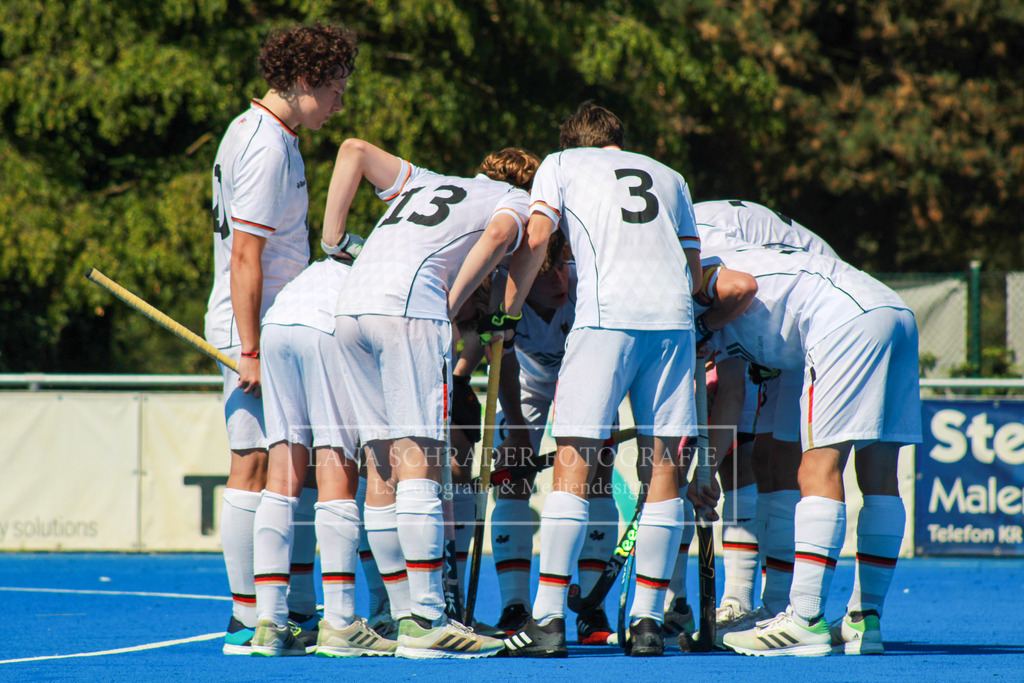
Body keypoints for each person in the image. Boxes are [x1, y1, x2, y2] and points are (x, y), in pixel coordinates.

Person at [501, 102, 703, 658]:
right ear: (620, 138)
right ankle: (646, 623)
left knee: (574, 459)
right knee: (664, 469)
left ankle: (545, 621)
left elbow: (538, 236)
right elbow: (693, 266)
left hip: (604, 318)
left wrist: (508, 311)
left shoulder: (562, 163)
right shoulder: (671, 175)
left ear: (573, 140)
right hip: (673, 322)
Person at [324, 140, 538, 659]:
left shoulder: (425, 179)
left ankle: (395, 617)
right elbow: (502, 232)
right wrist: (453, 299)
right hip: (408, 308)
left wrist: (333, 242)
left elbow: (352, 149)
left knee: (382, 464)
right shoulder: (516, 199)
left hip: (350, 305)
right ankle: (426, 619)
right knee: (420, 458)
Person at [203, 22, 359, 655]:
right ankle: (247, 617)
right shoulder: (268, 143)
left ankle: (280, 604)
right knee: (257, 461)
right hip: (256, 327)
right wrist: (252, 348)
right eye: (335, 90)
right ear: (301, 83)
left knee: (283, 463)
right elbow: (247, 255)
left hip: (267, 324)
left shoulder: (257, 129)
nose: (341, 103)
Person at [689, 237, 921, 656]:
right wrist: (704, 472)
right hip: (894, 312)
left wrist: (700, 326)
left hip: (841, 323)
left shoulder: (692, 281)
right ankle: (862, 621)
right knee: (880, 475)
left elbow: (742, 286)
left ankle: (805, 619)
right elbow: (731, 398)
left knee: (815, 468)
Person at [693, 199, 843, 644]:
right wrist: (707, 466)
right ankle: (741, 600)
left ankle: (778, 605)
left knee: (779, 454)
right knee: (747, 451)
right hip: (780, 300)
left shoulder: (696, 253)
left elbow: (733, 384)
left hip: (810, 308)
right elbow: (730, 386)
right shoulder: (690, 246)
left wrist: (702, 467)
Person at [250, 253, 397, 657]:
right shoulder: (385, 273)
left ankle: (269, 624)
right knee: (337, 472)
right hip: (327, 327)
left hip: (277, 327)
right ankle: (340, 622)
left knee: (280, 478)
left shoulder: (327, 266)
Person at [487, 237, 623, 645]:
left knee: (597, 478)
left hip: (588, 380)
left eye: (563, 266)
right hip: (527, 384)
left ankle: (591, 605)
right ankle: (514, 606)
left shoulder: (587, 283)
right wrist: (516, 430)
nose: (560, 279)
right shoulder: (502, 290)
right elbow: (503, 360)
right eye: (547, 274)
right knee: (511, 480)